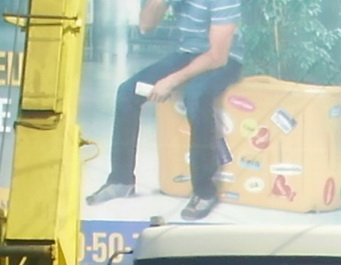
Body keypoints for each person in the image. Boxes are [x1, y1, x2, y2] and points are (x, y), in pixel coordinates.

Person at [85, 0, 243, 221]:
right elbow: (145, 26)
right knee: (126, 93)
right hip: (186, 54)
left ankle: (205, 192)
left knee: (196, 97)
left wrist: (171, 81)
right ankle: (121, 180)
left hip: (223, 61)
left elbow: (218, 56)